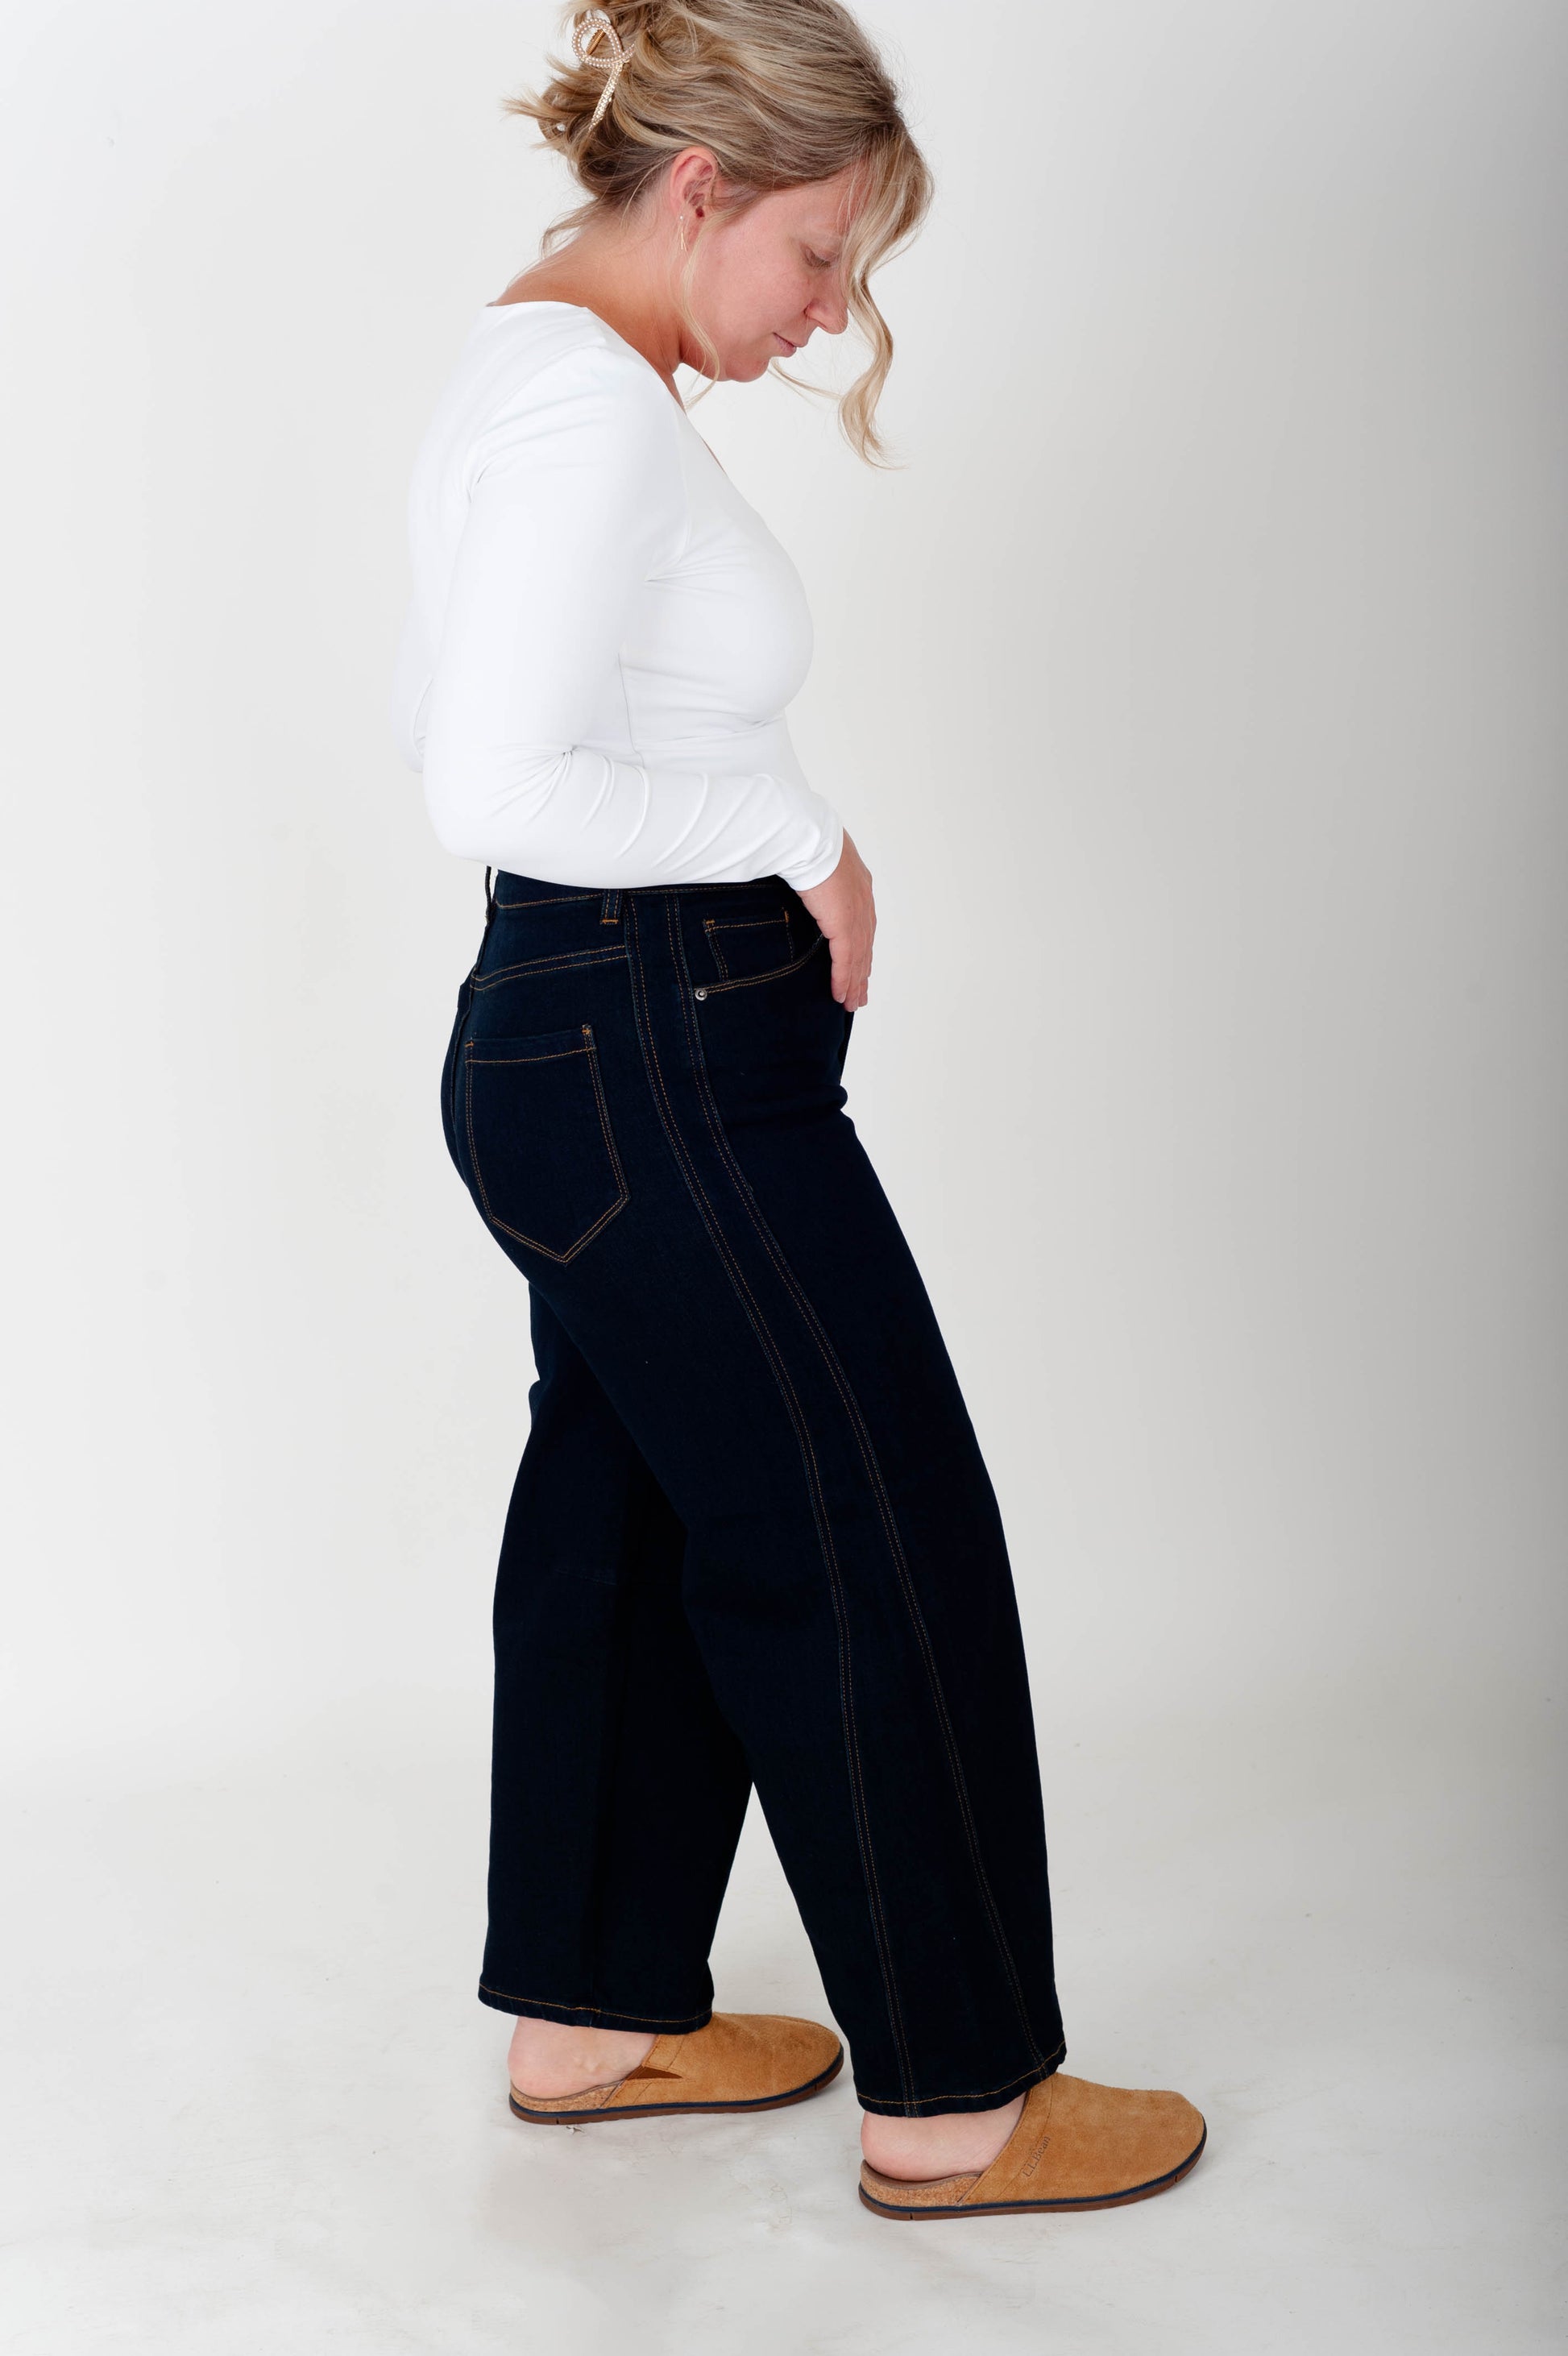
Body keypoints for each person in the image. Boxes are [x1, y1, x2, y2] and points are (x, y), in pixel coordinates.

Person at [389, 0, 1205, 2221]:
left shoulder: (537, 373)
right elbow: (494, 779)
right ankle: (959, 2098)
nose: (832, 313)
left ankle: (594, 2012)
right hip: (653, 1047)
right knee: (864, 1523)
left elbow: (481, 739)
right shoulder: (585, 412)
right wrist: (801, 836)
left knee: (639, 1514)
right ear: (703, 189)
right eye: (820, 254)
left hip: (589, 1045)